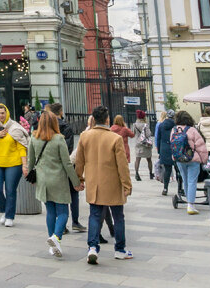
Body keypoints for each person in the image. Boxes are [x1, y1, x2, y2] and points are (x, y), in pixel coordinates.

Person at [75, 105, 133, 264]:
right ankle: (120, 249)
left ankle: (92, 247)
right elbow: (122, 165)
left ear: (93, 119)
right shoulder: (115, 138)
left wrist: (78, 179)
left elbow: (79, 162)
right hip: (113, 184)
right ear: (107, 119)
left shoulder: (84, 136)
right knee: (118, 217)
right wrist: (127, 185)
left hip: (94, 183)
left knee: (94, 215)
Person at [29, 109, 81, 258]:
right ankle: (56, 238)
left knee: (50, 212)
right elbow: (67, 163)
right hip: (58, 180)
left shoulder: (33, 138)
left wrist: (32, 178)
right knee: (63, 212)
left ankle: (52, 245)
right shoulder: (59, 139)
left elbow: (31, 162)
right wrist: (76, 182)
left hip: (42, 181)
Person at [0, 103, 29, 227]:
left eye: (2, 113)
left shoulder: (15, 128)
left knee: (10, 190)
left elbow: (22, 147)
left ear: (7, 112)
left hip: (14, 164)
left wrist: (24, 165)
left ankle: (9, 216)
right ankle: (4, 210)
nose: (1, 115)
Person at [48, 103, 85, 233]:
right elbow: (69, 151)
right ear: (61, 112)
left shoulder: (46, 128)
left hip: (51, 168)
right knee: (74, 194)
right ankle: (75, 221)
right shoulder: (66, 127)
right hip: (66, 165)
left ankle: (61, 226)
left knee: (57, 198)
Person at [171, 110, 209, 215]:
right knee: (192, 181)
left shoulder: (174, 130)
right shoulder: (192, 130)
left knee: (185, 180)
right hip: (193, 159)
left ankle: (189, 202)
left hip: (179, 159)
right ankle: (190, 205)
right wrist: (204, 160)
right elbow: (201, 146)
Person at [156, 109, 183, 198]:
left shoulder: (161, 125)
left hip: (164, 148)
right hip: (175, 148)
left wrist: (159, 151)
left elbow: (158, 138)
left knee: (167, 170)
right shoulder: (176, 126)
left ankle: (165, 188)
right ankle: (180, 188)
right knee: (179, 169)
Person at [131, 111, 155, 180]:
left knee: (137, 159)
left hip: (138, 143)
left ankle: (136, 174)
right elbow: (148, 134)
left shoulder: (134, 124)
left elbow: (133, 133)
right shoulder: (145, 125)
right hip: (145, 144)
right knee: (149, 159)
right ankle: (150, 174)